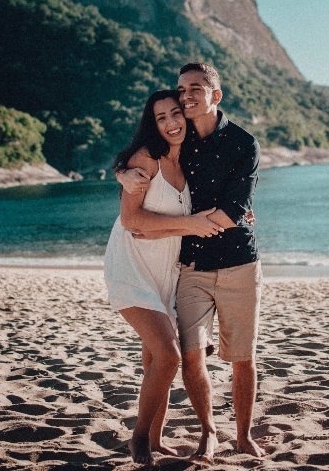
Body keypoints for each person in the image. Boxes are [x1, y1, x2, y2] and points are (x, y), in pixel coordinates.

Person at [117, 63, 265, 462]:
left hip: (237, 263)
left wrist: (197, 225)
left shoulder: (243, 143)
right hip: (191, 267)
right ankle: (208, 433)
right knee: (189, 355)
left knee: (242, 356)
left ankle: (244, 435)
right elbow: (141, 159)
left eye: (194, 89)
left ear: (215, 95)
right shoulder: (179, 141)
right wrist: (120, 172)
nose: (185, 98)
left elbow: (235, 208)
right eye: (181, 90)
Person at [104, 89, 224, 466]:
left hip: (165, 271)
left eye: (176, 113)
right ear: (152, 124)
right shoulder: (146, 159)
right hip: (131, 266)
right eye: (161, 117)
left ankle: (155, 438)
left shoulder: (187, 160)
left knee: (154, 356)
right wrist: (189, 225)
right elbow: (131, 220)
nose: (172, 122)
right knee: (169, 356)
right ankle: (139, 437)